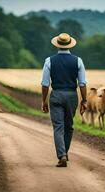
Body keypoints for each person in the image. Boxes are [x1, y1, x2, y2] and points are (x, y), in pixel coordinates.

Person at [41, 33, 87, 167]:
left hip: (56, 95)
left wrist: (44, 101)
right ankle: (64, 153)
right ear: (70, 45)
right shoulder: (78, 61)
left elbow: (45, 84)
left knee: (58, 127)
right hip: (72, 96)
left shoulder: (49, 60)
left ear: (57, 45)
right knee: (69, 126)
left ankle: (62, 155)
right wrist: (84, 100)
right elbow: (82, 83)